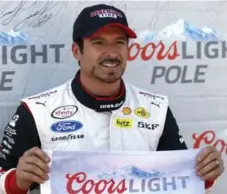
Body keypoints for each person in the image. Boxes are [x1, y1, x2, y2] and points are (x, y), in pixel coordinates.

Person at [0, 3, 224, 194]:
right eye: (98, 43)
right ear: (77, 51)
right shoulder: (36, 110)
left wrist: (205, 174)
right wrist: (16, 180)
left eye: (119, 42)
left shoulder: (156, 108)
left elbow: (178, 179)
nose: (111, 52)